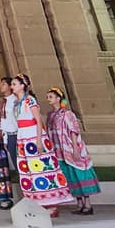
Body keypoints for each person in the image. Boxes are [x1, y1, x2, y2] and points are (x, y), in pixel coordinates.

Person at [10, 74, 73, 216]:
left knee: (42, 168)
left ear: (22, 85)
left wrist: (38, 140)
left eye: (14, 84)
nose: (12, 87)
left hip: (33, 134)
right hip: (23, 136)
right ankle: (36, 201)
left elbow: (38, 120)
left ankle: (51, 203)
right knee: (29, 170)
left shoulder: (29, 100)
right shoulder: (16, 103)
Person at [45, 87, 100, 215]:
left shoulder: (67, 114)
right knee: (70, 176)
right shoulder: (51, 115)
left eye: (51, 97)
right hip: (59, 151)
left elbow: (73, 131)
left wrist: (75, 149)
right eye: (48, 97)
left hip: (70, 148)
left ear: (58, 98)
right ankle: (79, 203)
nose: (48, 99)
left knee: (79, 173)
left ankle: (87, 204)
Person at [0, 76, 19, 189]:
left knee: (22, 164)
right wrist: (5, 139)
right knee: (16, 164)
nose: (1, 86)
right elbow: (4, 122)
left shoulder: (14, 100)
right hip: (10, 136)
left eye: (4, 84)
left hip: (17, 134)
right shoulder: (4, 101)